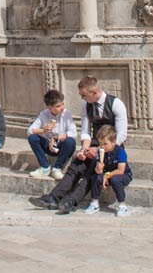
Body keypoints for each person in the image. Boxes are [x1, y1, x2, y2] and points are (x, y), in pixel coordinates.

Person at [31, 76, 128, 214]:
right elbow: (85, 130)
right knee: (77, 164)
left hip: (112, 147)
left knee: (93, 170)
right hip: (95, 143)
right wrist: (84, 148)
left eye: (84, 95)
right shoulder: (86, 105)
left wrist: (100, 149)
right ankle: (54, 197)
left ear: (94, 93)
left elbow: (121, 135)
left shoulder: (116, 104)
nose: (82, 98)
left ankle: (71, 200)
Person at [83, 125, 132, 217]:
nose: (102, 146)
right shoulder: (100, 151)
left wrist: (107, 176)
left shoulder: (120, 151)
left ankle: (122, 204)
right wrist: (99, 168)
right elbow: (98, 171)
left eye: (105, 144)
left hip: (122, 174)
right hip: (107, 173)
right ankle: (94, 202)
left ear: (113, 142)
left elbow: (121, 170)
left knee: (115, 180)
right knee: (95, 177)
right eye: (100, 143)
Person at [27, 89, 77, 179]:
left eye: (62, 104)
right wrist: (43, 130)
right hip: (48, 146)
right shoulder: (43, 114)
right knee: (33, 138)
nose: (62, 107)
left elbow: (73, 132)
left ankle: (57, 168)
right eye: (58, 106)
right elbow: (30, 130)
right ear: (49, 107)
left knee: (70, 141)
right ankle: (45, 167)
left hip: (62, 146)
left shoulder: (66, 113)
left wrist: (57, 138)